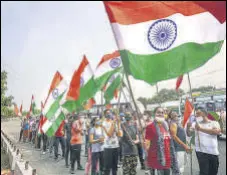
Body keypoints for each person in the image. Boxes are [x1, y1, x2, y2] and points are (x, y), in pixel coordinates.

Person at [145, 107, 179, 175]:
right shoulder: (150, 127)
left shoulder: (166, 125)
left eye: (162, 112)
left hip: (168, 158)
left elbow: (169, 142)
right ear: (154, 114)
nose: (160, 114)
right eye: (158, 112)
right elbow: (147, 146)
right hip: (158, 160)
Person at [186, 107, 221, 175]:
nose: (196, 116)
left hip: (213, 152)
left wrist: (200, 129)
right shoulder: (195, 124)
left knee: (213, 172)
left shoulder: (214, 123)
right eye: (196, 114)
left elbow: (216, 132)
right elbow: (189, 134)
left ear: (205, 113)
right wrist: (188, 127)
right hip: (201, 152)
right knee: (204, 172)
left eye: (198, 113)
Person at [168, 110, 191, 174]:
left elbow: (188, 134)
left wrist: (188, 126)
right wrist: (185, 145)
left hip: (181, 148)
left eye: (176, 114)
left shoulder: (178, 123)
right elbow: (174, 136)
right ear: (170, 116)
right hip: (177, 149)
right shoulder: (173, 124)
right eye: (173, 114)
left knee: (181, 167)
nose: (175, 115)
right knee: (177, 168)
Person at [102, 109, 122, 175]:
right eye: (107, 113)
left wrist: (118, 123)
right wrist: (113, 123)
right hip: (108, 147)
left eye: (110, 113)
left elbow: (119, 134)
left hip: (116, 146)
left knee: (115, 166)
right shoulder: (103, 123)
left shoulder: (113, 122)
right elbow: (109, 134)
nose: (109, 114)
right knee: (107, 167)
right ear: (105, 115)